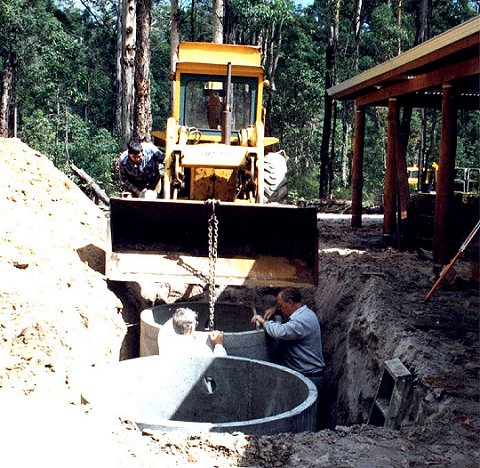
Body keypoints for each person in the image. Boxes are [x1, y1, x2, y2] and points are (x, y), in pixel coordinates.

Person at [251, 288, 324, 389]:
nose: (279, 308)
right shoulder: (305, 313)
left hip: (308, 377)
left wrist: (263, 321)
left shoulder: (303, 320)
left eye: (280, 305)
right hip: (301, 373)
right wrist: (276, 309)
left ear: (290, 302)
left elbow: (279, 332)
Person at [158, 307, 227, 357]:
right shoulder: (200, 350)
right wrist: (219, 344)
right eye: (196, 324)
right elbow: (219, 363)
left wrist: (180, 317)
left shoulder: (165, 340)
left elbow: (171, 322)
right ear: (190, 329)